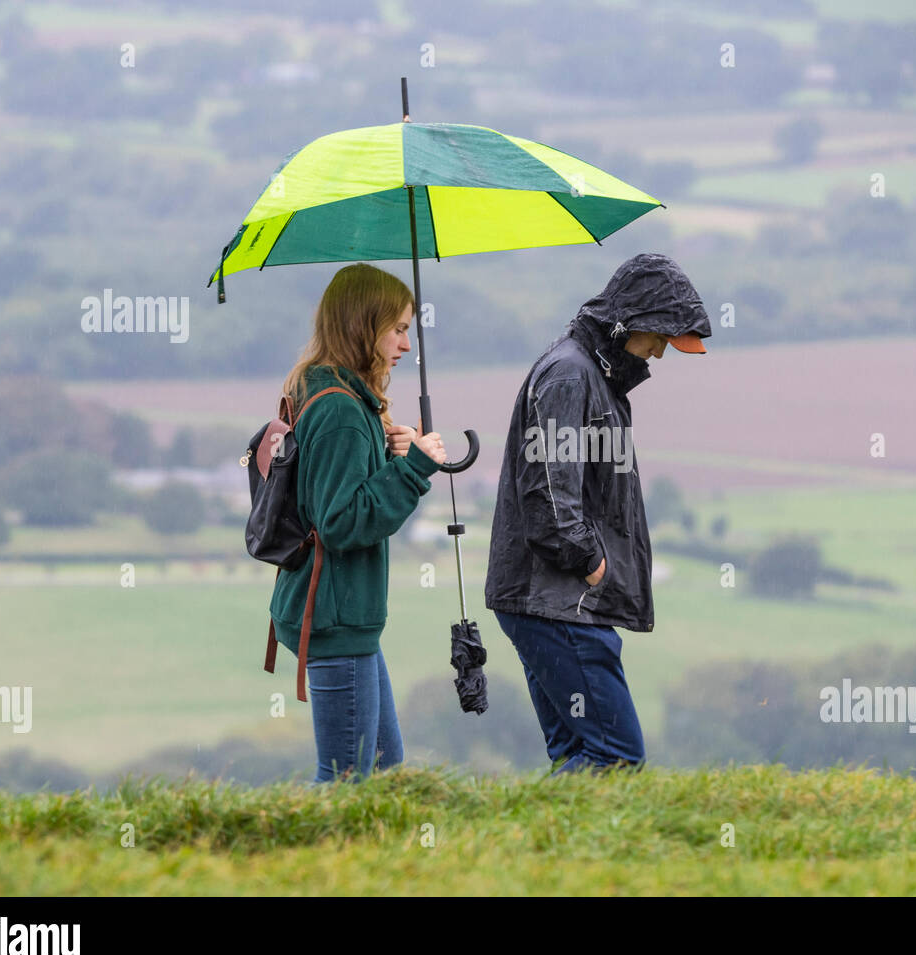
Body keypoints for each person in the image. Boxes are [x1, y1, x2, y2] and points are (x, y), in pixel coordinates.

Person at [484, 253, 712, 774]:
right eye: (659, 336)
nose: (660, 352)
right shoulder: (570, 375)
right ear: (626, 323)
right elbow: (548, 494)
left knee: (578, 753)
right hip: (558, 598)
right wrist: (592, 562)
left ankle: (540, 850)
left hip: (550, 597)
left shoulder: (591, 373)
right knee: (615, 756)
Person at [272, 262, 447, 783]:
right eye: (397, 329)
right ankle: (326, 865)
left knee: (386, 776)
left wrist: (394, 453)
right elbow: (342, 522)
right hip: (335, 618)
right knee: (348, 785)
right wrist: (416, 467)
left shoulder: (335, 396)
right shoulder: (343, 413)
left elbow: (339, 491)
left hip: (344, 617)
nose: (406, 345)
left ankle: (381, 863)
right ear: (361, 327)